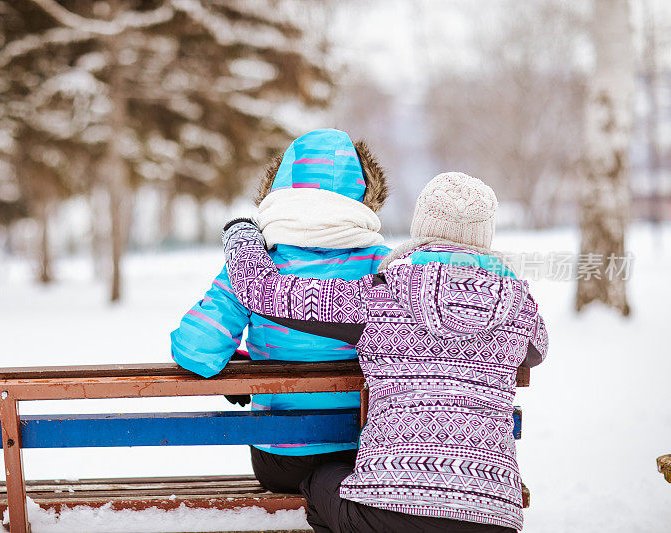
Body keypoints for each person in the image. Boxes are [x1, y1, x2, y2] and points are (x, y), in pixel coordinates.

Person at [220, 172, 548, 532]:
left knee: (320, 481)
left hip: (388, 512)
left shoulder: (382, 297)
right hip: (492, 516)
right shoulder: (519, 308)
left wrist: (242, 232)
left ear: (421, 225)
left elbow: (263, 290)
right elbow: (537, 350)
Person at [170, 128, 390, 493]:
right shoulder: (383, 264)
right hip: (362, 452)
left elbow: (195, 349)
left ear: (280, 186)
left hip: (281, 460)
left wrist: (240, 362)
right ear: (365, 191)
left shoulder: (255, 267)